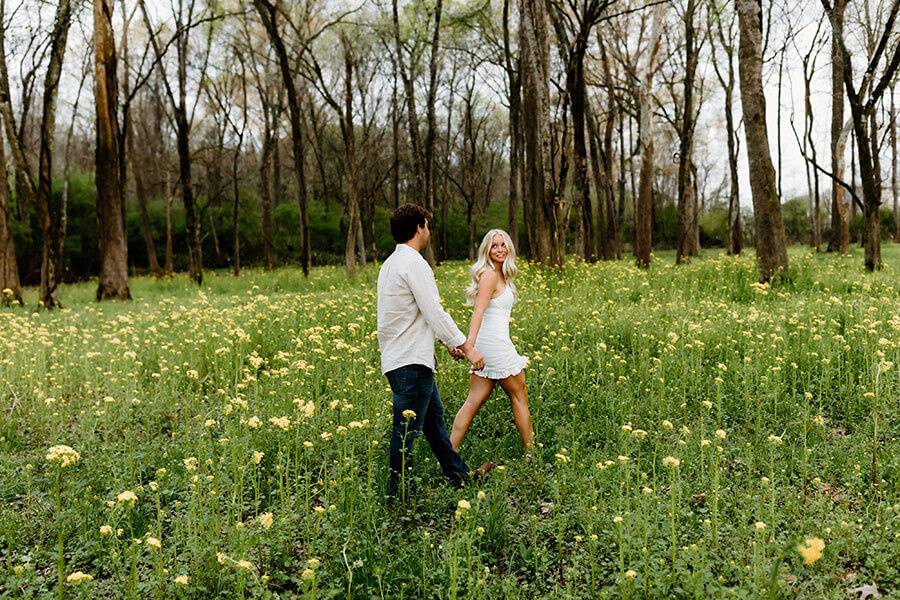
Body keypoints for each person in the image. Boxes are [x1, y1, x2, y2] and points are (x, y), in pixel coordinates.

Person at [377, 203, 492, 500]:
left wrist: (448, 343)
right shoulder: (414, 263)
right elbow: (434, 312)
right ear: (419, 228)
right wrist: (467, 347)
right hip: (410, 363)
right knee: (406, 433)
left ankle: (461, 477)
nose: (428, 231)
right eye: (427, 225)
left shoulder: (390, 264)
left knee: (434, 423)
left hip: (401, 360)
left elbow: (415, 315)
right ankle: (398, 497)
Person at [450, 229, 534, 456]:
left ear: (509, 248)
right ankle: (530, 455)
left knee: (472, 402)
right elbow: (478, 312)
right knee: (519, 396)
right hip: (495, 347)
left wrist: (470, 346)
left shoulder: (501, 275)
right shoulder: (489, 276)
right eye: (494, 246)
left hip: (488, 346)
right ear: (487, 250)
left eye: (503, 245)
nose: (499, 249)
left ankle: (449, 454)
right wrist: (469, 346)